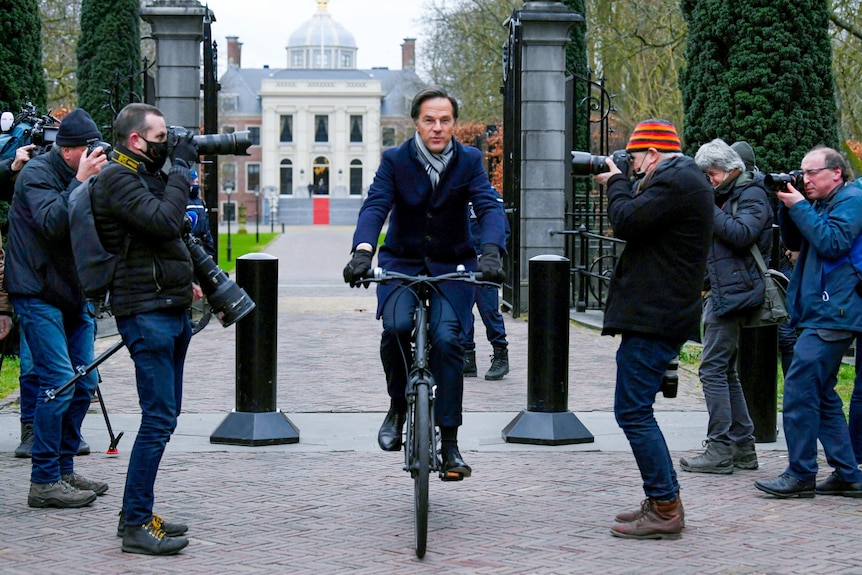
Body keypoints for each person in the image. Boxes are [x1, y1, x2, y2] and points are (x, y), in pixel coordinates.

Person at [342, 86, 507, 479]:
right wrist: (363, 251)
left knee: (449, 341)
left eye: (445, 120)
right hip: (403, 260)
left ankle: (449, 444)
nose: (437, 128)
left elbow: (487, 205)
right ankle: (398, 406)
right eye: (429, 120)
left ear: (453, 123)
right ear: (416, 122)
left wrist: (490, 251)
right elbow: (376, 204)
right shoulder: (395, 160)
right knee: (397, 328)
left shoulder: (468, 160)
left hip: (452, 264)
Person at [594, 119, 713, 539]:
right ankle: (662, 499)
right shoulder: (681, 179)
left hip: (657, 315)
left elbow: (626, 221)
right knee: (635, 409)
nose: (633, 165)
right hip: (659, 312)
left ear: (653, 154)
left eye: (635, 157)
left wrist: (614, 182)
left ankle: (665, 507)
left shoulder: (676, 180)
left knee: (632, 411)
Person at [90, 103, 198, 555]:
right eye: (160, 138)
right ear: (136, 140)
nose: (166, 145)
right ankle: (135, 523)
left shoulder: (142, 175)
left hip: (169, 309)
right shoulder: (115, 178)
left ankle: (135, 512)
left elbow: (171, 232)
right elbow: (163, 220)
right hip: (146, 313)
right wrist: (182, 170)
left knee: (165, 417)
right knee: (156, 419)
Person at [5, 108, 108, 508]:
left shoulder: (83, 174)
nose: (94, 155)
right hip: (36, 291)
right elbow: (52, 223)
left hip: (72, 292)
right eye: (88, 149)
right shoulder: (35, 175)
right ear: (68, 151)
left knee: (83, 382)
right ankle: (44, 481)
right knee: (59, 382)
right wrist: (82, 182)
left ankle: (63, 469)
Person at [755, 146, 862, 498]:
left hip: (836, 312)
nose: (805, 178)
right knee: (823, 394)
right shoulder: (819, 203)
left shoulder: (851, 200)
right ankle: (848, 474)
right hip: (820, 310)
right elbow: (796, 241)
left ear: (836, 173)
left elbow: (832, 242)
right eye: (802, 172)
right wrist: (788, 206)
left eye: (812, 172)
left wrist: (799, 205)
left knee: (800, 389)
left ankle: (800, 474)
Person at [678, 139, 772, 474]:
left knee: (712, 370)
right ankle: (743, 448)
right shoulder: (731, 194)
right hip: (723, 290)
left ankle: (719, 448)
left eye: (713, 173)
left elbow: (742, 233)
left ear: (730, 168)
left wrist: (708, 207)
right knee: (725, 371)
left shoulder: (752, 193)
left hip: (735, 293)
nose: (710, 180)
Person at [732, 140, 797, 376]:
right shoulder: (756, 187)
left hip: (770, 265)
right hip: (767, 264)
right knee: (782, 332)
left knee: (785, 332)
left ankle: (791, 391)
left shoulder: (755, 189)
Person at [462, 199, 510, 380]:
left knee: (489, 310)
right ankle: (467, 357)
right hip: (462, 261)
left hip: (484, 262)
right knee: (462, 311)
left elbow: (502, 231)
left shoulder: (490, 198)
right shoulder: (454, 192)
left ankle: (500, 355)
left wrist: (492, 256)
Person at [185, 168, 215, 256]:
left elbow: (206, 228)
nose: (195, 185)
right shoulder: (182, 201)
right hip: (188, 246)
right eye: (192, 182)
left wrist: (210, 251)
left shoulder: (201, 203)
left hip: (200, 246)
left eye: (196, 182)